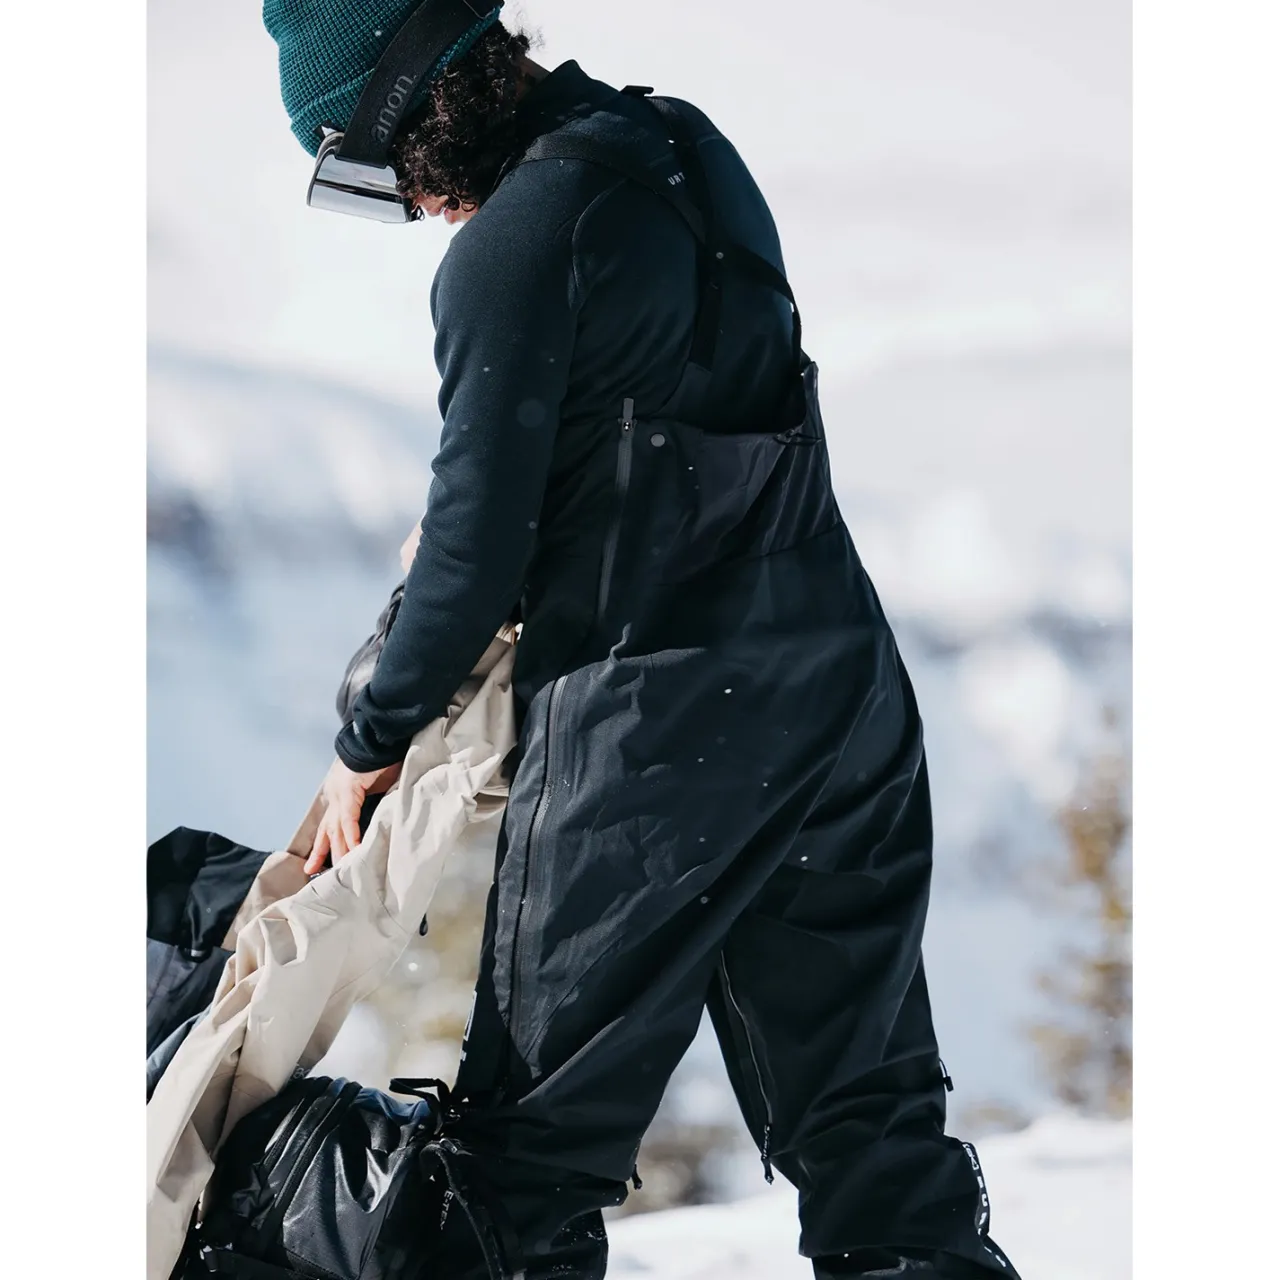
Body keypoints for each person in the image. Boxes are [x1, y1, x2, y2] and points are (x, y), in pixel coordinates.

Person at [263, 3, 1023, 1278]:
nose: (411, 206)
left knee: (518, 1174)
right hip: (838, 692)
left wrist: (368, 737)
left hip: (653, 740)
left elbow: (471, 553)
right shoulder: (685, 148)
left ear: (403, 104)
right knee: (874, 1136)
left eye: (371, 167)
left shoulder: (511, 247)